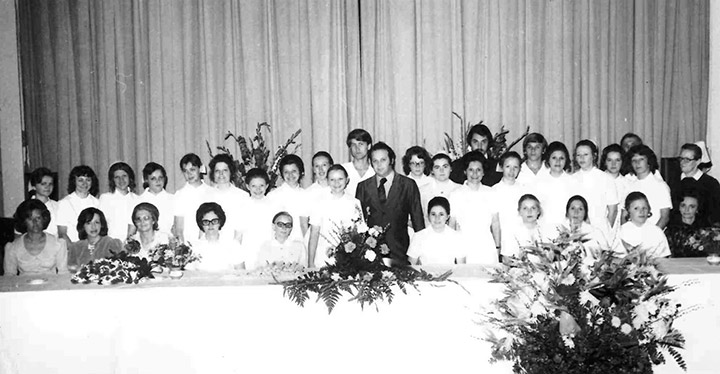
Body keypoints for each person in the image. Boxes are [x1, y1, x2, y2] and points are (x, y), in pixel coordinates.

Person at [356, 142, 425, 265]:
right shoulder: (363, 187)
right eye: (375, 161)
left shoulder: (408, 185)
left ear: (392, 160)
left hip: (401, 252)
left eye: (383, 160)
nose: (379, 165)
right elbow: (358, 223)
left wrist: (419, 255)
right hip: (370, 255)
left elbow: (418, 223)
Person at [448, 151, 500, 264]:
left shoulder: (491, 192)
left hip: (486, 244)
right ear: (465, 171)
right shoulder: (456, 194)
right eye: (471, 170)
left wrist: (497, 247)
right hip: (464, 244)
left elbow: (495, 223)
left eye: (478, 170)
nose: (475, 174)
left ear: (483, 172)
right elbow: (452, 225)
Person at [308, 165, 365, 268]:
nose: (336, 183)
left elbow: (360, 233)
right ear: (328, 181)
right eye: (332, 180)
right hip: (323, 257)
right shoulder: (319, 202)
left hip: (348, 258)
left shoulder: (354, 203)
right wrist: (310, 262)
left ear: (347, 180)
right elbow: (314, 234)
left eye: (340, 179)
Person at [4, 200, 68, 276]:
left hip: (51, 286)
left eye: (38, 218)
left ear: (44, 218)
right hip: (23, 287)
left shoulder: (58, 244)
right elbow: (9, 276)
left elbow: (63, 273)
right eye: (30, 219)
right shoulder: (12, 247)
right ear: (24, 221)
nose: (35, 222)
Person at [571, 140, 619, 239]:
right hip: (578, 229)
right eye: (578, 155)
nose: (582, 158)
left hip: (600, 230)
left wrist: (605, 232)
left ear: (594, 156)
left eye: (585, 154)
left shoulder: (606, 178)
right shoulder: (572, 179)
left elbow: (613, 210)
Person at [667, 143, 720, 226]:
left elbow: (715, 214)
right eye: (681, 158)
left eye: (687, 159)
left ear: (698, 161)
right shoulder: (674, 181)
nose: (682, 162)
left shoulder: (710, 184)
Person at [622, 145, 672, 229]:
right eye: (634, 160)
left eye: (641, 159)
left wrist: (651, 236)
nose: (637, 163)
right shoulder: (628, 185)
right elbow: (624, 215)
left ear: (649, 161)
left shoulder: (660, 186)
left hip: (654, 235)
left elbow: (664, 217)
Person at [238, 168, 279, 268]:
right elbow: (238, 237)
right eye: (254, 186)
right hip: (249, 252)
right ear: (247, 186)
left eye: (261, 185)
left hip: (270, 252)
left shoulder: (274, 205)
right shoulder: (242, 206)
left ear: (267, 186)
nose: (258, 189)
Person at [407, 197, 466, 265]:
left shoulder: (456, 237)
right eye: (433, 214)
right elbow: (411, 267)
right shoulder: (418, 236)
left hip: (450, 275)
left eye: (441, 214)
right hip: (426, 275)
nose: (437, 218)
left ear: (447, 216)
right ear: (428, 216)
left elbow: (461, 268)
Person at [534, 141, 580, 228]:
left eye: (561, 158)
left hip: (566, 229)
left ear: (566, 160)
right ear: (548, 160)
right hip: (544, 228)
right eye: (554, 158)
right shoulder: (539, 181)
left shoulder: (573, 182)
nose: (558, 161)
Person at [266, 154, 310, 241]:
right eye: (286, 172)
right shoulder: (273, 196)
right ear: (282, 174)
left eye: (294, 171)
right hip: (279, 245)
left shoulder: (307, 195)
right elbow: (269, 226)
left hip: (301, 244)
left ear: (301, 172)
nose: (290, 175)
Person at [190, 202, 245, 271]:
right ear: (201, 224)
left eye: (214, 221)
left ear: (220, 222)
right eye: (206, 222)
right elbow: (189, 275)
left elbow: (242, 275)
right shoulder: (193, 247)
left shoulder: (233, 245)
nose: (210, 225)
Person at [173, 153, 214, 244]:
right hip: (187, 244)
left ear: (200, 169)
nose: (189, 174)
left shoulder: (212, 192)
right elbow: (179, 228)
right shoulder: (179, 195)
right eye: (185, 171)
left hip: (209, 243)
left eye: (192, 169)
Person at [207, 154, 249, 242]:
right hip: (211, 244)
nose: (221, 174)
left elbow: (242, 227)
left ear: (231, 172)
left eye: (225, 170)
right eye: (217, 171)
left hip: (235, 245)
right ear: (213, 174)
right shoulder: (206, 196)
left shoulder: (242, 196)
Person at [492, 151, 527, 253]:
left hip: (522, 240)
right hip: (502, 241)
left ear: (520, 169)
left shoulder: (524, 190)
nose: (511, 171)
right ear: (501, 167)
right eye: (508, 166)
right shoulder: (494, 191)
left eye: (515, 167)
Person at [502, 194, 555, 260]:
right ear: (519, 212)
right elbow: (507, 260)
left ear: (538, 211)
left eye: (533, 208)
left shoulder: (548, 230)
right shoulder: (511, 233)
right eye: (525, 208)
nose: (529, 212)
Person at [619, 192, 670, 258]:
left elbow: (664, 257)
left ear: (649, 210)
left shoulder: (656, 232)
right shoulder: (621, 232)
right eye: (636, 208)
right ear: (628, 210)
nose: (641, 211)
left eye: (644, 208)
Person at [57, 165, 100, 243]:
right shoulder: (64, 203)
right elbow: (62, 233)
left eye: (88, 180)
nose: (84, 183)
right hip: (72, 248)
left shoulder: (97, 203)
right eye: (80, 180)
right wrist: (75, 250)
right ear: (74, 182)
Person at [450, 122, 502, 186]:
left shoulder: (497, 166)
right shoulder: (458, 165)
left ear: (489, 143)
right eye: (475, 142)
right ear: (470, 143)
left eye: (483, 142)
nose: (479, 146)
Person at [99, 162, 139, 240]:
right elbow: (100, 225)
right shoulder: (105, 198)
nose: (121, 180)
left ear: (129, 178)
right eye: (117, 177)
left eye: (124, 176)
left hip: (133, 246)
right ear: (112, 180)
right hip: (111, 244)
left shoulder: (137, 199)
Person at [419, 153, 461, 224]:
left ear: (451, 168)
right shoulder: (422, 191)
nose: (441, 170)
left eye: (445, 166)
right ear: (432, 170)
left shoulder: (460, 190)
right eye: (437, 167)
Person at [665, 190, 708, 257]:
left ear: (697, 209)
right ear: (679, 207)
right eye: (683, 205)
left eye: (692, 206)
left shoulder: (705, 230)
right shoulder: (671, 230)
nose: (686, 210)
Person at [138, 162, 174, 234]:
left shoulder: (173, 199)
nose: (158, 181)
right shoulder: (138, 201)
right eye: (153, 178)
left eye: (160, 178)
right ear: (146, 180)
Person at [341, 129, 375, 197]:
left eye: (361, 144)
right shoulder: (342, 170)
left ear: (369, 146)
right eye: (353, 145)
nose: (357, 148)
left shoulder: (376, 171)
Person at [28, 167, 59, 236]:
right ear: (34, 186)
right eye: (43, 184)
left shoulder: (58, 206)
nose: (47, 187)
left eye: (50, 184)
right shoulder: (26, 207)